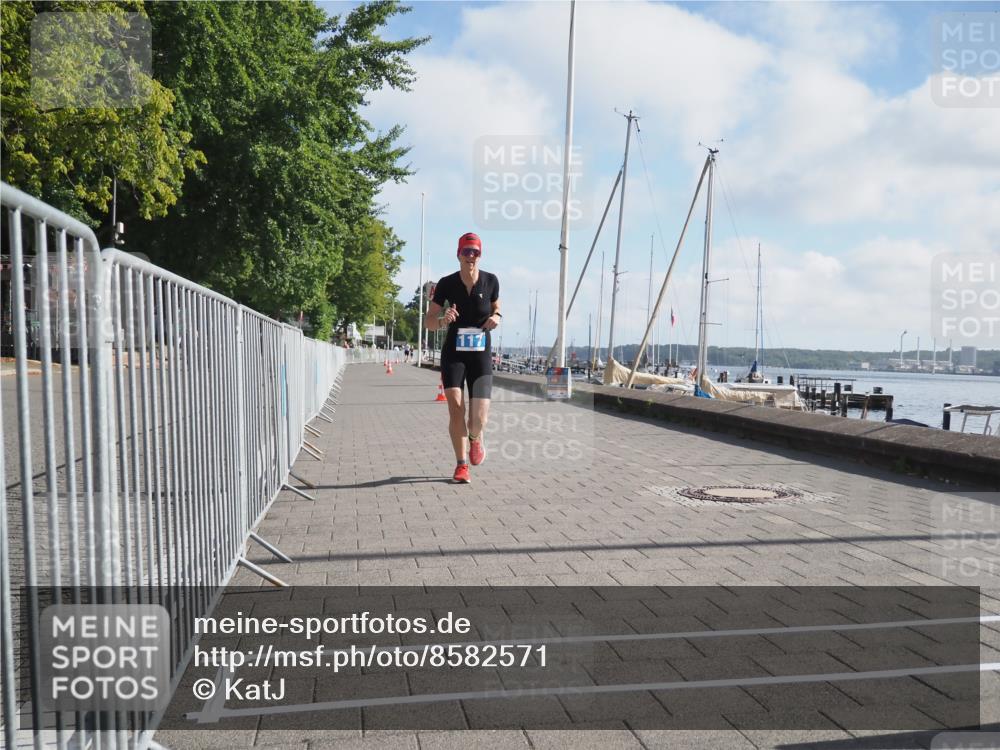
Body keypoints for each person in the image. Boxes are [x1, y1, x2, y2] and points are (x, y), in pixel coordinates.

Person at [425, 232, 501, 483]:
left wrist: (497, 317)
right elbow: (429, 322)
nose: (471, 256)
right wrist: (442, 319)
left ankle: (475, 438)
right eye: (466, 252)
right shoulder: (446, 283)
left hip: (480, 356)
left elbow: (496, 307)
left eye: (475, 252)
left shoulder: (491, 281)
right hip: (454, 354)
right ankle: (461, 464)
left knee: (478, 419)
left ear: (480, 255)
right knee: (456, 409)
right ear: (458, 255)